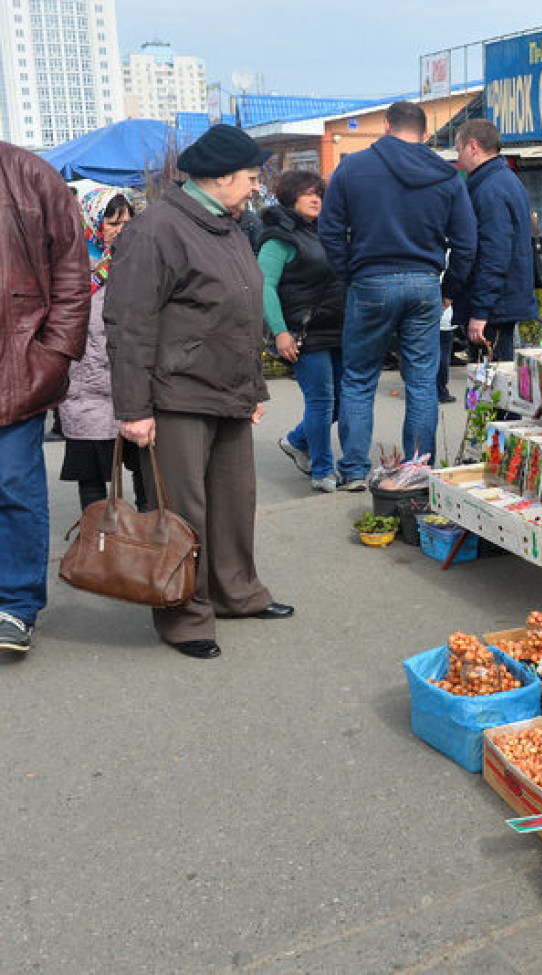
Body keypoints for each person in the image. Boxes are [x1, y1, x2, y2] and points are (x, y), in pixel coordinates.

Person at [105, 123, 293, 661]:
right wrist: (134, 409)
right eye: (252, 177)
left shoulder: (225, 225)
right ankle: (185, 616)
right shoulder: (156, 230)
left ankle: (237, 592)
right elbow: (129, 325)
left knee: (235, 502)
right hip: (176, 394)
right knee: (181, 512)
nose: (256, 187)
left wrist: (254, 387)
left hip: (228, 388)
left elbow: (240, 310)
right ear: (220, 177)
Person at [319, 100, 476, 488]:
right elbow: (468, 242)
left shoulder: (352, 168)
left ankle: (354, 471)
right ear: (423, 133)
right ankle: (418, 469)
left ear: (386, 126)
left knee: (358, 378)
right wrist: (449, 289)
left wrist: (351, 273)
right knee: (422, 381)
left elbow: (329, 230)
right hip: (425, 283)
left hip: (370, 280)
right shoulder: (446, 175)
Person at [0, 141, 91, 654]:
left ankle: (14, 604)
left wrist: (54, 353)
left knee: (13, 485)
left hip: (17, 362)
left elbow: (74, 275)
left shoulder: (31, 176)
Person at [58, 187, 151, 513]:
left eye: (127, 220)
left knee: (146, 473)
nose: (122, 229)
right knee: (93, 481)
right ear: (93, 222)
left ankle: (146, 542)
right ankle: (100, 550)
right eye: (113, 222)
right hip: (87, 389)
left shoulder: (141, 262)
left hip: (134, 386)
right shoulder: (71, 267)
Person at [258, 170, 347, 493]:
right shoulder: (279, 237)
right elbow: (264, 286)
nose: (315, 199)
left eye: (319, 194)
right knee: (322, 400)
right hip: (304, 335)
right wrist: (280, 332)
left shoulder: (326, 231)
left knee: (343, 401)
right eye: (307, 193)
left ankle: (296, 441)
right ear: (289, 197)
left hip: (336, 328)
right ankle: (323, 470)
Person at [446, 118, 538, 365]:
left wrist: (480, 311)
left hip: (494, 308)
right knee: (494, 382)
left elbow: (494, 254)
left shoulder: (490, 189)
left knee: (491, 386)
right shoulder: (505, 179)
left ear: (473, 146)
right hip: (501, 302)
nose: (458, 157)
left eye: (459, 149)